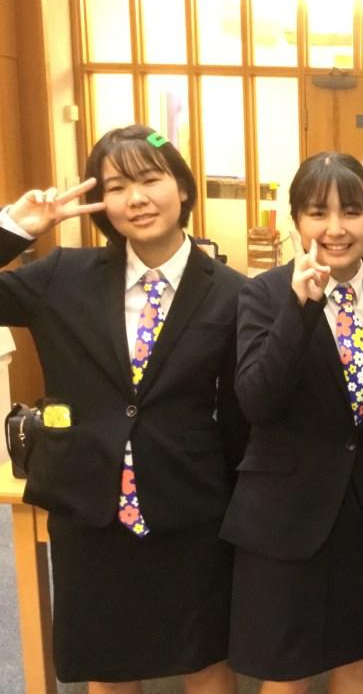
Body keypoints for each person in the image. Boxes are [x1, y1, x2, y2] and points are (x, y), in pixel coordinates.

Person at [0, 124, 246, 693]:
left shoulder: (233, 292)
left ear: (181, 187)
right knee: (108, 666)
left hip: (191, 507)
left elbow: (240, 414)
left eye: (150, 179)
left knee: (206, 660)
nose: (136, 198)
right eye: (116, 187)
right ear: (101, 203)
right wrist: (17, 228)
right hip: (89, 503)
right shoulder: (63, 276)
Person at [221, 152, 363, 694]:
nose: (335, 228)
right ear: (297, 220)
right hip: (285, 515)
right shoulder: (263, 294)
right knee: (287, 674)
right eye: (318, 212)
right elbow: (257, 400)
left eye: (352, 211)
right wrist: (300, 308)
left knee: (359, 665)